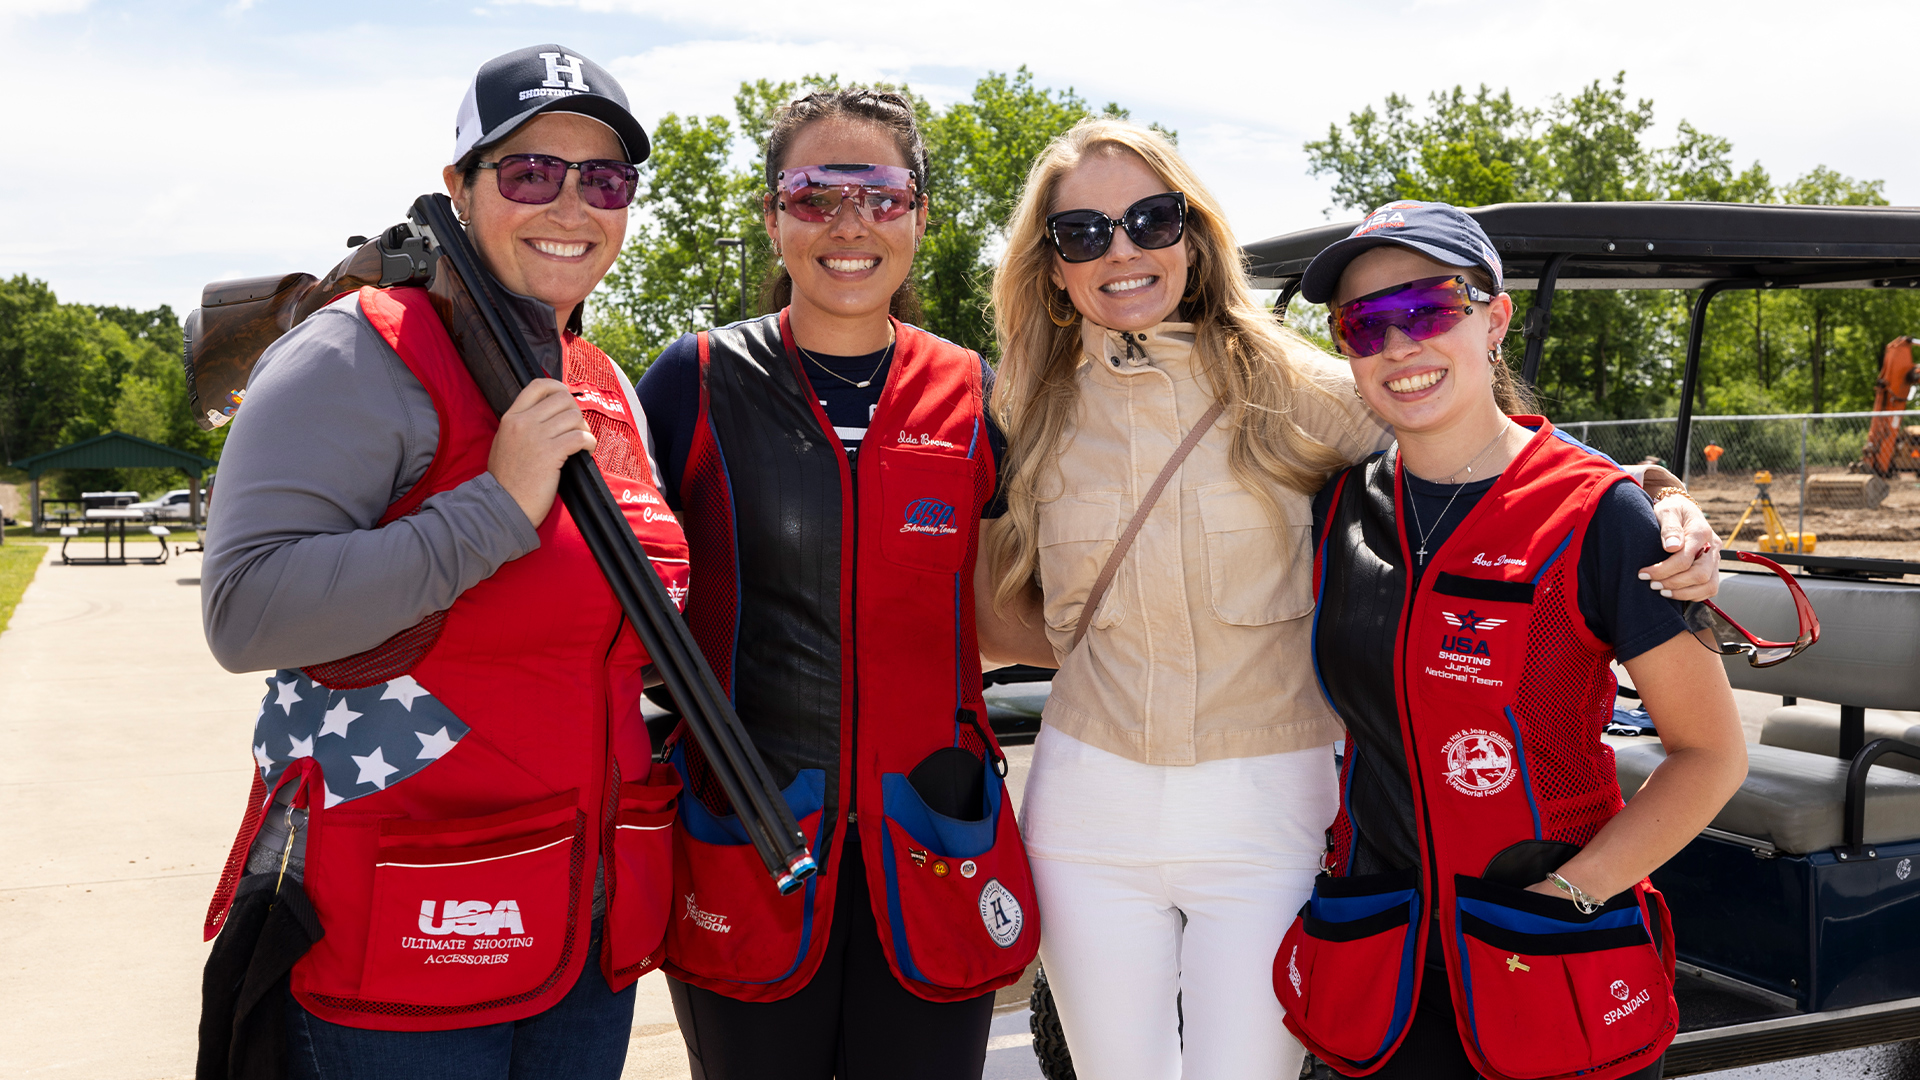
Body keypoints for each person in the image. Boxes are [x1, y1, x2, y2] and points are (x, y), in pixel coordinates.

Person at [976, 122, 1723, 1080]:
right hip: (1090, 803)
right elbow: (981, 591)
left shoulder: (1299, 386)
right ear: (1051, 268)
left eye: (1150, 218)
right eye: (1082, 233)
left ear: (1193, 235)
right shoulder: (1021, 409)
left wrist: (1661, 495)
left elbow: (1491, 449)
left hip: (1268, 805)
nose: (1121, 249)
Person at [200, 44, 687, 1079]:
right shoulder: (356, 353)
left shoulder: (605, 384)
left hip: (585, 928)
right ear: (460, 187)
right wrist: (497, 507)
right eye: (528, 172)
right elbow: (245, 614)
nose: (570, 203)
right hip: (406, 938)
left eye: (603, 179)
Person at [1273, 202, 1749, 1080]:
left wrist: (1571, 894)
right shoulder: (1335, 509)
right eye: (1365, 324)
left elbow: (1709, 754)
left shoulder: (1600, 515)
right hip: (1384, 964)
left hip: (1547, 957)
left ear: (1493, 319)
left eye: (1429, 308)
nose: (1399, 344)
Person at [634, 88, 1036, 1080]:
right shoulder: (689, 383)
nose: (849, 224)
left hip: (934, 839)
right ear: (774, 218)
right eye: (813, 195)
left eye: (882, 194)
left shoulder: (978, 394)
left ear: (920, 217)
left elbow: (1010, 609)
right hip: (748, 838)